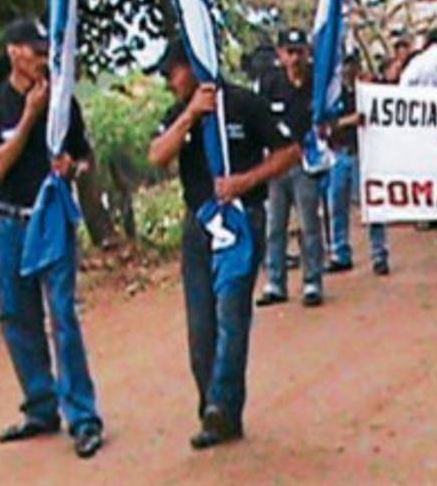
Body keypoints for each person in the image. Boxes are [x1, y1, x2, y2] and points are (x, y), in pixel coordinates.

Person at [148, 36, 298, 449]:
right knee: (201, 325)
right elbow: (157, 156)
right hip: (199, 224)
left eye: (172, 72)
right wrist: (191, 115)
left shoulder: (246, 104)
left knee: (232, 314)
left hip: (241, 219)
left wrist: (245, 182)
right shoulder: (180, 112)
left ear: (192, 65)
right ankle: (211, 407)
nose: (168, 82)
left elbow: (288, 151)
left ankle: (224, 406)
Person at [0, 19, 104, 458]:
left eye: (44, 48)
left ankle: (83, 416)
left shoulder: (63, 102)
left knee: (62, 314)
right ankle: (40, 404)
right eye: (32, 49)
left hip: (50, 219)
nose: (39, 56)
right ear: (13, 52)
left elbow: (84, 156)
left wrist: (73, 166)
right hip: (10, 220)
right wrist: (30, 115)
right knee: (16, 315)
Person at [256, 28, 325, 307]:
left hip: (304, 162)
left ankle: (312, 281)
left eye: (299, 52)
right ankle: (275, 282)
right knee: (275, 226)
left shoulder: (317, 84)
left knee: (309, 225)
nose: (295, 58)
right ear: (280, 55)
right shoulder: (270, 83)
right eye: (289, 52)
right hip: (275, 163)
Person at [324, 53, 390, 276]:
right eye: (345, 66)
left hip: (365, 154)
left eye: (353, 65)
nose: (349, 70)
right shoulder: (332, 94)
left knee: (372, 207)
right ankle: (340, 252)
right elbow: (325, 125)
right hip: (340, 153)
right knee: (338, 207)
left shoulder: (367, 91)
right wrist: (349, 120)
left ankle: (379, 253)